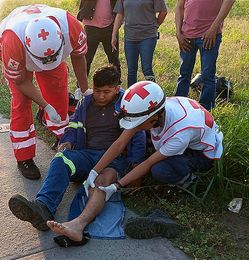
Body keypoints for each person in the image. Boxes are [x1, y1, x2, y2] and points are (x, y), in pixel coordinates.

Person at [8, 65, 146, 243]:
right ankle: (43, 208)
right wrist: (68, 140)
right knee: (61, 160)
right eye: (97, 91)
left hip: (113, 161)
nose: (101, 96)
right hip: (86, 155)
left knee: (101, 183)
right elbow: (74, 124)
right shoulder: (86, 102)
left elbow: (138, 135)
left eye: (106, 91)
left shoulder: (126, 104)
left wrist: (136, 166)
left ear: (117, 89)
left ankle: (78, 225)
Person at [86, 81, 223, 236]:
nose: (134, 127)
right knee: (142, 140)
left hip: (200, 153)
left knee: (159, 170)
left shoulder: (179, 135)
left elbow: (148, 163)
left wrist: (117, 185)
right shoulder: (156, 110)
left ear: (154, 119)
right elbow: (119, 144)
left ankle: (190, 180)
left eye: (138, 124)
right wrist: (94, 170)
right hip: (189, 132)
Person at [0, 4, 90, 179]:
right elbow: (21, 81)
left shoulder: (72, 26)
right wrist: (45, 106)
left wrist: (85, 90)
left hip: (40, 46)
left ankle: (62, 136)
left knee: (58, 93)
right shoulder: (12, 40)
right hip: (17, 49)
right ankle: (24, 157)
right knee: (21, 103)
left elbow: (78, 56)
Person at [175, 0, 235, 111]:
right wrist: (178, 32)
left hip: (209, 35)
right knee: (184, 74)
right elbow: (179, 6)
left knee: (207, 75)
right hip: (187, 36)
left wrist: (213, 28)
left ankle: (205, 111)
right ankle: (178, 107)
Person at [111, 0, 167, 87]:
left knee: (147, 69)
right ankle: (130, 97)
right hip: (130, 37)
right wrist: (114, 35)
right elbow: (120, 14)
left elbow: (163, 11)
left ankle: (154, 94)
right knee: (131, 69)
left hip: (148, 36)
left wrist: (156, 25)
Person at [77, 0, 121, 79]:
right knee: (86, 59)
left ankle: (116, 84)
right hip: (91, 27)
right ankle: (81, 87)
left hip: (110, 27)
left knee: (114, 59)